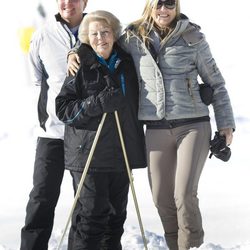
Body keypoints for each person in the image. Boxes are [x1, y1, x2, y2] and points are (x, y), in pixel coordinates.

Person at [67, 0, 236, 249]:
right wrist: (76, 51)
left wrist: (226, 125)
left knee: (184, 195)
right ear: (150, 5)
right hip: (156, 127)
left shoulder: (193, 37)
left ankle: (192, 247)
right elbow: (102, 42)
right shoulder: (133, 37)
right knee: (161, 198)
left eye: (169, 4)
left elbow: (217, 83)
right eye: (158, 4)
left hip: (192, 124)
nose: (163, 10)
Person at [55, 10, 146, 250]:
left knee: (116, 220)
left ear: (114, 34)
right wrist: (97, 103)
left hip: (120, 153)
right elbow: (64, 109)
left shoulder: (127, 62)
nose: (100, 38)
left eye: (105, 32)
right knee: (91, 219)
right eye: (94, 33)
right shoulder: (80, 65)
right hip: (89, 157)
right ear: (86, 37)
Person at [20, 0, 88, 249]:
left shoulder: (97, 30)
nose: (67, 3)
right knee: (41, 196)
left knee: (85, 200)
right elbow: (39, 78)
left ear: (85, 2)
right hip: (52, 132)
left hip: (86, 134)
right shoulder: (43, 35)